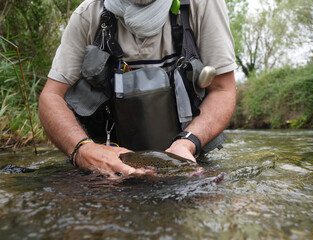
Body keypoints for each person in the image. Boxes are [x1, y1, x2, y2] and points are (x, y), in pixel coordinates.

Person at [38, 0, 237, 176]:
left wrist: (187, 143)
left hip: (187, 156)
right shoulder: (88, 14)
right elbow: (51, 96)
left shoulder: (202, 5)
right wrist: (82, 149)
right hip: (107, 167)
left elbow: (223, 90)